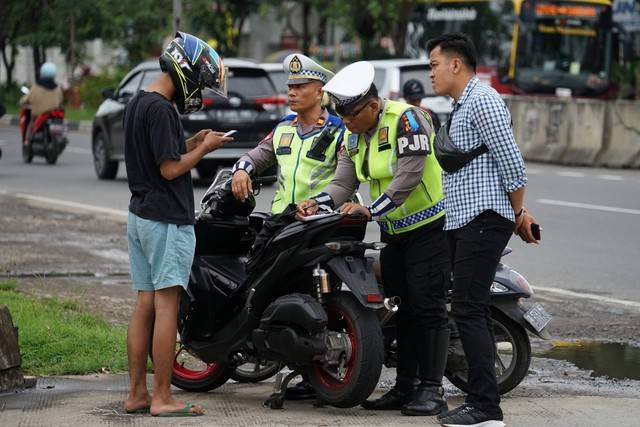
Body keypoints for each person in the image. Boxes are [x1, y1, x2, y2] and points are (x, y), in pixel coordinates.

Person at [297, 61, 450, 417]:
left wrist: (371, 209)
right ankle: (405, 387)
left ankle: (433, 388)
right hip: (394, 233)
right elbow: (343, 183)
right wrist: (316, 202)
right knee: (401, 308)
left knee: (428, 309)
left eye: (351, 114)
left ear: (371, 106)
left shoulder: (408, 119)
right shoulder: (352, 135)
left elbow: (409, 174)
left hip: (429, 230)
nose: (346, 122)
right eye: (342, 115)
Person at [426, 33, 539, 427]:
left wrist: (517, 213)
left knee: (469, 309)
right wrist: (519, 215)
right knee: (465, 307)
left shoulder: (484, 100)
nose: (431, 74)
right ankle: (480, 403)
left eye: (434, 65)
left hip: (483, 219)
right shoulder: (462, 105)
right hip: (463, 219)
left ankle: (486, 408)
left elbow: (513, 165)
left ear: (456, 64)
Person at [123, 32, 233, 417]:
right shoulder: (163, 109)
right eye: (201, 82)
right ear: (185, 71)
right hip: (166, 220)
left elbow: (162, 154)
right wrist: (205, 149)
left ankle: (137, 393)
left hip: (140, 216)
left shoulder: (140, 103)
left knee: (144, 305)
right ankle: (163, 397)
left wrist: (193, 140)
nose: (199, 91)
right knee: (167, 306)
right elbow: (170, 169)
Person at [231, 53, 345, 400]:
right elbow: (256, 155)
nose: (292, 92)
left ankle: (313, 375)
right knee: (260, 289)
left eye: (300, 86)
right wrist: (241, 169)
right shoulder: (283, 128)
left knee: (317, 301)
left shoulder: (339, 132)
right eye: (290, 86)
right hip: (280, 225)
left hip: (319, 226)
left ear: (320, 90)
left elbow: (345, 179)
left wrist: (320, 205)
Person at [19, 62, 64, 144]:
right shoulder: (56, 87)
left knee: (31, 122)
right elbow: (61, 99)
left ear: (42, 73)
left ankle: (27, 141)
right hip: (54, 112)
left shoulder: (37, 86)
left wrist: (22, 101)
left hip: (39, 113)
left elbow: (28, 97)